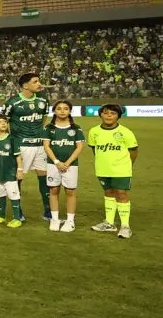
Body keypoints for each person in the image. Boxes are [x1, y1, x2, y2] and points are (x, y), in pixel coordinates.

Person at [1, 73, 51, 221]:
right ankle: (18, 211)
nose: (39, 84)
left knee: (45, 179)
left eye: (39, 81)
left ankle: (48, 210)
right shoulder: (12, 102)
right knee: (17, 179)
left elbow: (44, 118)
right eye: (35, 82)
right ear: (25, 86)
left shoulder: (43, 100)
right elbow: (4, 122)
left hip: (40, 145)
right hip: (21, 145)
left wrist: (39, 133)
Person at [88, 104, 138, 239]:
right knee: (108, 193)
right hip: (103, 169)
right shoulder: (94, 131)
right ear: (100, 115)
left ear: (118, 117)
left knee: (121, 194)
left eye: (113, 113)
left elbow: (133, 151)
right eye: (105, 113)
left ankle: (125, 226)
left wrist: (127, 165)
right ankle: (109, 223)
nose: (109, 115)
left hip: (121, 169)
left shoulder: (125, 132)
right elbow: (94, 149)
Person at [43, 100, 85, 232]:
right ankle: (55, 220)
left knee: (70, 191)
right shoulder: (49, 128)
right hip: (53, 164)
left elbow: (79, 147)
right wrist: (57, 162)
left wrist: (67, 163)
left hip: (71, 165)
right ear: (54, 111)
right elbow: (46, 146)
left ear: (70, 111)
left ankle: (70, 221)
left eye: (65, 108)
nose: (62, 111)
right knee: (53, 190)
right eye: (59, 108)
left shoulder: (76, 128)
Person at [0, 113, 23, 228]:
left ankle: (17, 218)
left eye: (5, 122)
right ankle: (1, 216)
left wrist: (20, 169)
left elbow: (18, 156)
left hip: (10, 173)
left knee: (14, 196)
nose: (3, 123)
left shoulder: (12, 139)